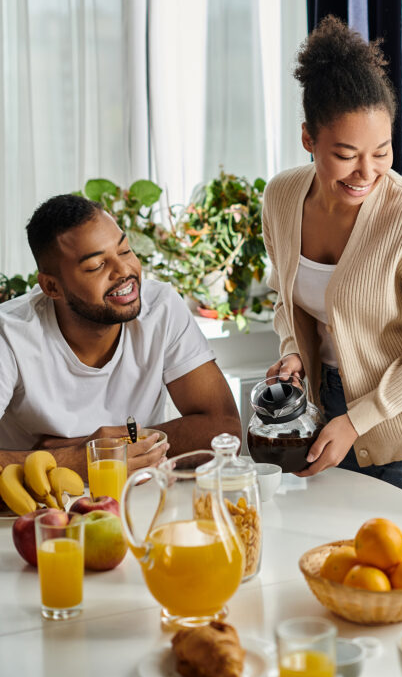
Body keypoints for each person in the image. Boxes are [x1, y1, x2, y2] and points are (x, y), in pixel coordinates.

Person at [262, 15, 402, 503]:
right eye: (346, 154)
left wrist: (357, 421)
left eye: (382, 151)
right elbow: (286, 295)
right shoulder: (280, 198)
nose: (367, 172)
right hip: (335, 419)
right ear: (308, 139)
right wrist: (291, 352)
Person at [0, 194, 241, 478]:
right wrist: (78, 461)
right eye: (96, 266)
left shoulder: (160, 307)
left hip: (142, 503)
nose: (125, 271)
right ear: (52, 287)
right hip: (35, 512)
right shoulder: (10, 334)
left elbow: (224, 428)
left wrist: (97, 450)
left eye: (125, 251)